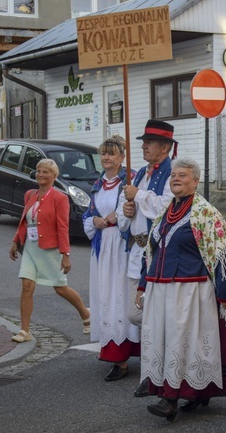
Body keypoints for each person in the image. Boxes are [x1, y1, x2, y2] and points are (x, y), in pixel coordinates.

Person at [138, 158, 226, 422]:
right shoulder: (165, 213)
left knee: (181, 342)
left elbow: (221, 255)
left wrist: (225, 294)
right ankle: (193, 390)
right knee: (170, 340)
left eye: (182, 175)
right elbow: (151, 251)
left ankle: (169, 399)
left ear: (195, 182)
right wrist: (142, 285)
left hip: (190, 290)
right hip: (161, 289)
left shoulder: (205, 213)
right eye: (173, 175)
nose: (175, 179)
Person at [117, 120, 175, 395]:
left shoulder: (173, 172)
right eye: (143, 141)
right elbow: (125, 215)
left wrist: (138, 196)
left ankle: (157, 374)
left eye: (148, 142)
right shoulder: (141, 172)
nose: (142, 146)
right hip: (135, 252)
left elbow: (166, 208)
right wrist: (126, 213)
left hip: (157, 255)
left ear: (164, 147)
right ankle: (157, 369)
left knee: (149, 315)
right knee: (135, 313)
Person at [9, 159, 90, 342]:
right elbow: (25, 221)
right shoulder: (30, 194)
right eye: (38, 171)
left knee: (60, 288)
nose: (41, 175)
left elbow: (63, 227)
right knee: (27, 285)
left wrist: (65, 254)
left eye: (45, 172)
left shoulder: (60, 198)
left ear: (54, 176)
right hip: (31, 247)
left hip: (50, 249)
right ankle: (25, 331)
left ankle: (85, 314)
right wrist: (15, 241)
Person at [83, 137, 139, 381]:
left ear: (121, 157)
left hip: (122, 247)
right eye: (103, 154)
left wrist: (117, 216)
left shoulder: (130, 179)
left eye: (111, 154)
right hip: (102, 247)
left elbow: (133, 206)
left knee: (122, 294)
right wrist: (94, 221)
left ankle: (124, 354)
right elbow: (89, 212)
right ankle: (116, 353)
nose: (106, 158)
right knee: (106, 294)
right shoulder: (97, 184)